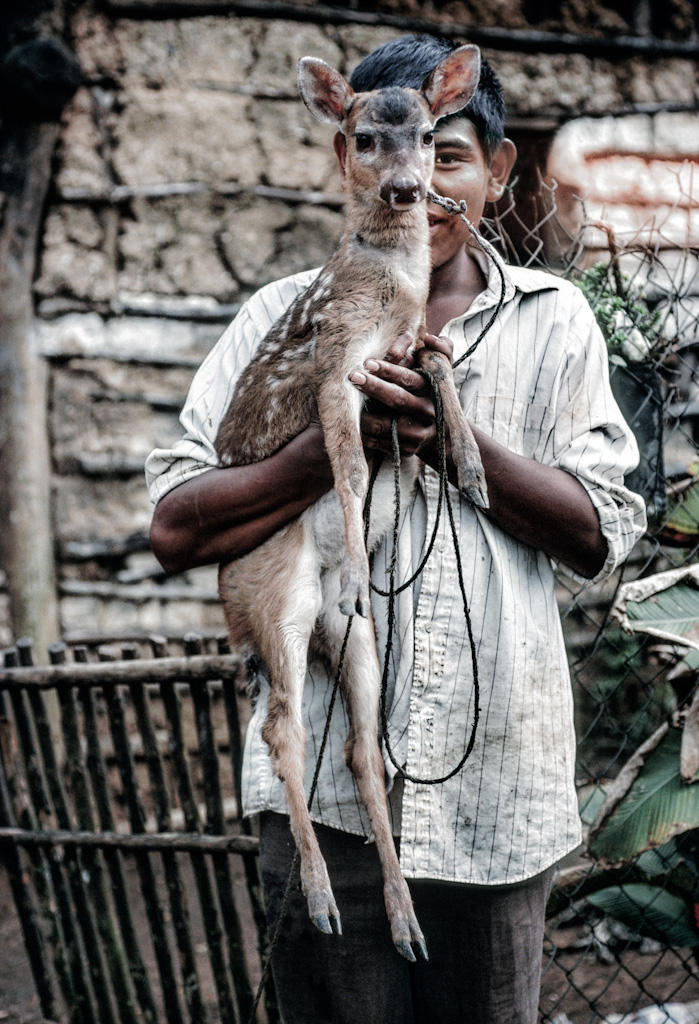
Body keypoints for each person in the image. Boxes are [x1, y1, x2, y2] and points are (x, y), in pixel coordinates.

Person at [146, 33, 646, 1024]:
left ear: (500, 171)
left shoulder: (554, 323)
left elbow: (604, 532)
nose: (410, 175)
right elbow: (174, 524)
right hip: (325, 800)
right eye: (377, 149)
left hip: (491, 795)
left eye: (445, 151)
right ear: (345, 156)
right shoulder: (279, 317)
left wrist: (458, 443)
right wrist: (332, 441)